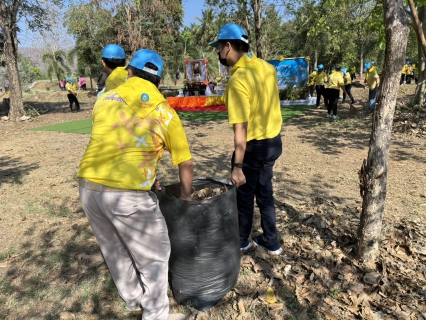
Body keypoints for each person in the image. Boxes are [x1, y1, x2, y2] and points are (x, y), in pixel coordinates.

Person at [77, 49, 194, 320]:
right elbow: (185, 163)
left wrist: (148, 176)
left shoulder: (104, 100)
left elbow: (117, 143)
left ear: (129, 72)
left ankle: (132, 298)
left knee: (113, 247)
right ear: (158, 81)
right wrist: (186, 200)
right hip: (127, 196)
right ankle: (155, 315)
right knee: (155, 256)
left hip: (88, 187)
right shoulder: (165, 112)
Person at [209, 23, 283, 255]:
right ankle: (271, 241)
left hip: (253, 148)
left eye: (218, 48)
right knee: (264, 192)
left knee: (243, 193)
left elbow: (240, 129)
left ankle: (241, 240)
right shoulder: (265, 67)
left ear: (228, 46)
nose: (218, 53)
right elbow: (258, 99)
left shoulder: (238, 80)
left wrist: (238, 166)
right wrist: (218, 100)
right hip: (273, 143)